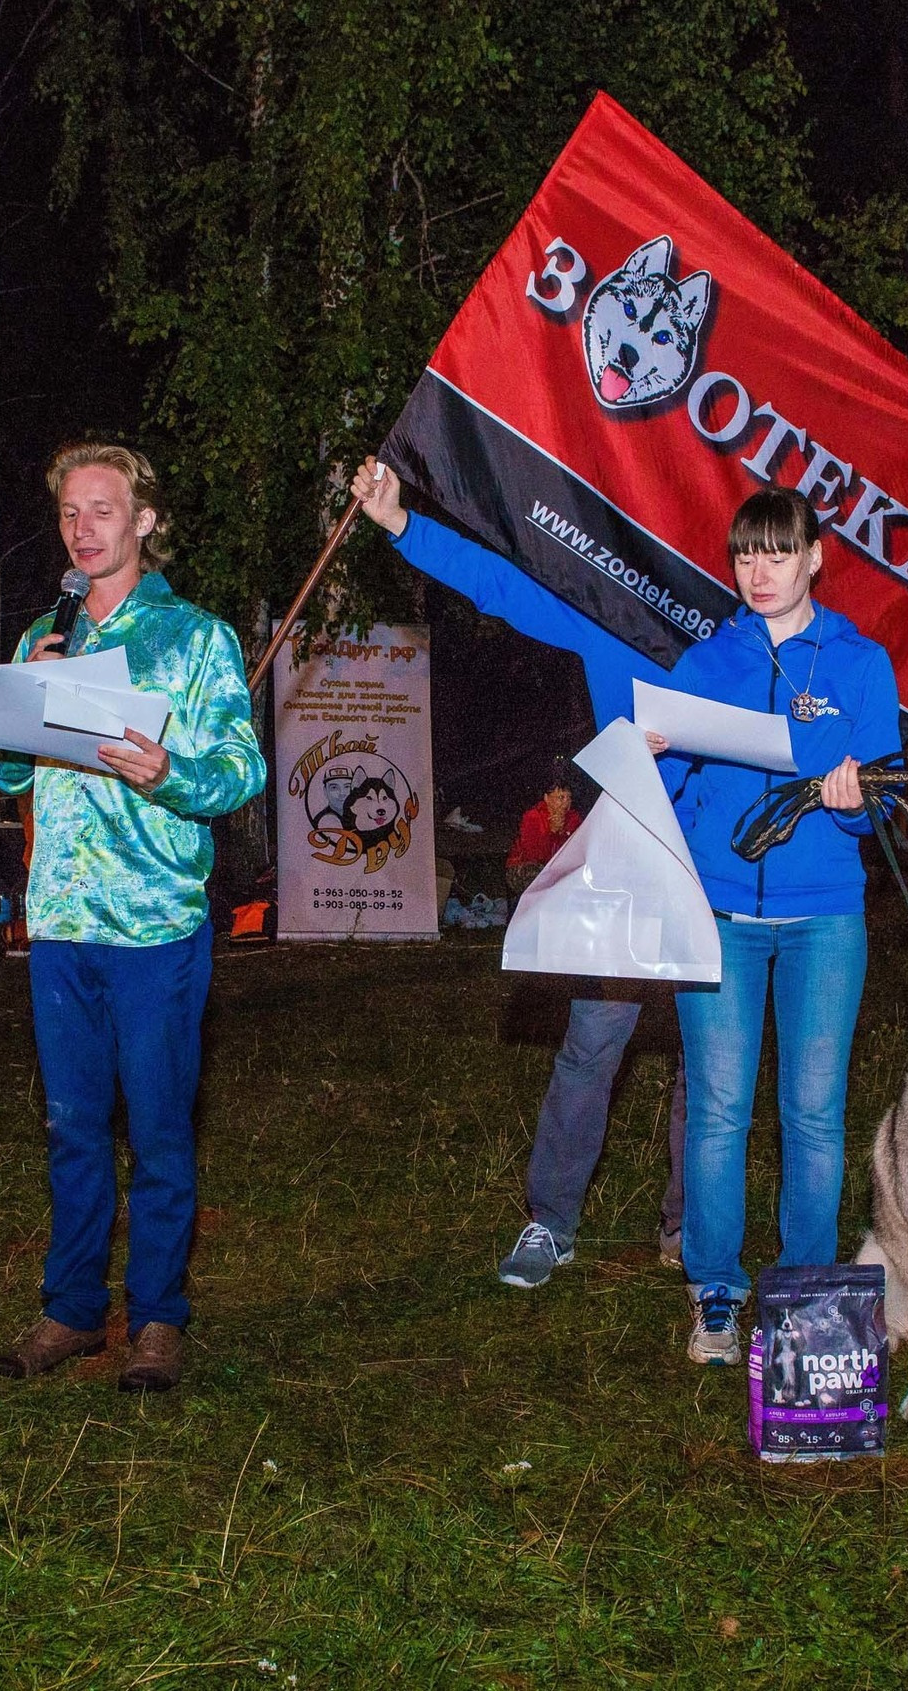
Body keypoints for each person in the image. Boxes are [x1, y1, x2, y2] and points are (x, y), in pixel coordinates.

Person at [349, 458, 688, 1289]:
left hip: (714, 863)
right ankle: (551, 1222)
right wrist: (401, 523)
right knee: (589, 1045)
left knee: (708, 1062)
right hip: (628, 850)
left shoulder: (739, 630)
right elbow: (501, 585)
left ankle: (693, 1230)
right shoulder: (617, 615)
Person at [0, 443, 264, 1394]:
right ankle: (69, 1313)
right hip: (60, 918)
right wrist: (19, 709)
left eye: (102, 510)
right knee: (71, 1127)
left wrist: (170, 773)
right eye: (69, 513)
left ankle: (155, 1320)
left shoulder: (195, 639)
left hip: (154, 924)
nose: (82, 529)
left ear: (144, 521)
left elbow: (241, 773)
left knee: (158, 1129)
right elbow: (8, 773)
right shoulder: (41, 637)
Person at [647, 485, 905, 1367]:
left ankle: (803, 1294)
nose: (760, 573)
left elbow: (878, 809)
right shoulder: (706, 660)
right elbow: (666, 784)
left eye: (778, 553)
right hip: (719, 913)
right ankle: (714, 1296)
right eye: (745, 556)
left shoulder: (862, 665)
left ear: (815, 555)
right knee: (719, 1112)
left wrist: (852, 797)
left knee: (812, 1115)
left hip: (826, 921)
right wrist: (648, 756)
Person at [503, 761, 582, 892]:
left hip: (559, 867)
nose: (566, 802)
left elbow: (576, 848)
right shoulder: (533, 817)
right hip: (525, 867)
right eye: (561, 797)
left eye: (569, 798)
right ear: (547, 798)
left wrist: (562, 834)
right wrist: (551, 832)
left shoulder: (573, 818)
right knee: (540, 877)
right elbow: (533, 855)